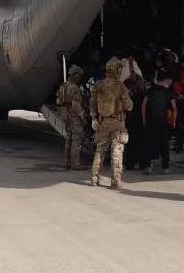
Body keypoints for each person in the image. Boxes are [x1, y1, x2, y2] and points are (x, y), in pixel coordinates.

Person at [89, 56, 133, 190]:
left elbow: (92, 103)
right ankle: (115, 181)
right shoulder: (120, 86)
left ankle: (94, 177)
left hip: (102, 122)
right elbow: (128, 106)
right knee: (117, 152)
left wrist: (94, 118)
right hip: (117, 123)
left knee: (99, 151)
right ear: (117, 70)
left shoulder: (98, 85)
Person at [142, 69, 175, 175]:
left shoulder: (149, 90)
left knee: (148, 143)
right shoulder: (168, 92)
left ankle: (148, 167)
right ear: (165, 80)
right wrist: (173, 121)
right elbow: (174, 108)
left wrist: (144, 118)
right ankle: (166, 167)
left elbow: (143, 105)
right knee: (164, 143)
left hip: (151, 119)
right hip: (163, 121)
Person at [56, 64, 87, 170]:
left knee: (68, 138)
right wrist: (82, 117)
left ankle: (66, 161)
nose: (80, 78)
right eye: (79, 76)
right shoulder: (74, 88)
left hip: (65, 115)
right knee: (77, 138)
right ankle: (76, 163)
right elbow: (76, 105)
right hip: (74, 116)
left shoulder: (63, 86)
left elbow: (59, 101)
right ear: (75, 75)